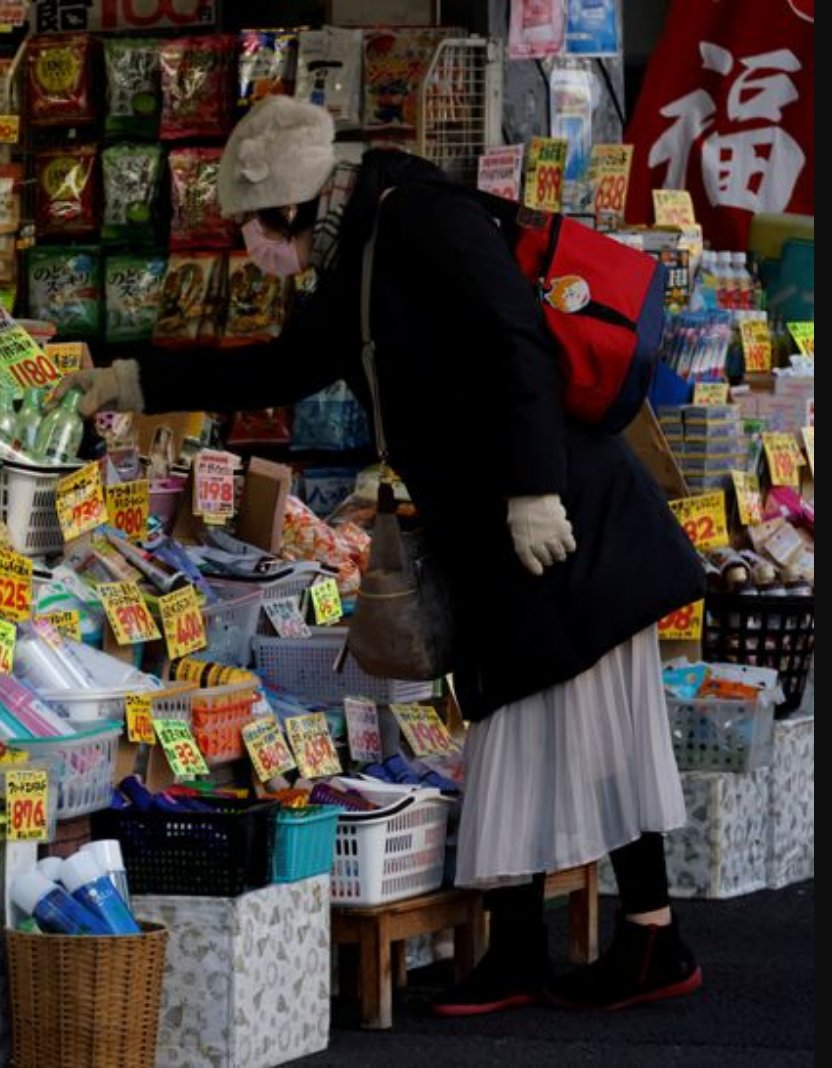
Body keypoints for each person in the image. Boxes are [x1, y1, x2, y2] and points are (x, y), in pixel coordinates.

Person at [54, 96, 706, 1014]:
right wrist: (133, 378)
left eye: (250, 226)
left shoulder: (420, 221)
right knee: (526, 710)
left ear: (290, 205)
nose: (251, 249)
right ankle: (612, 940)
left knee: (561, 714)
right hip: (499, 518)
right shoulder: (357, 250)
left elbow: (515, 339)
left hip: (556, 509)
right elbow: (280, 367)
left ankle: (616, 942)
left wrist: (532, 490)